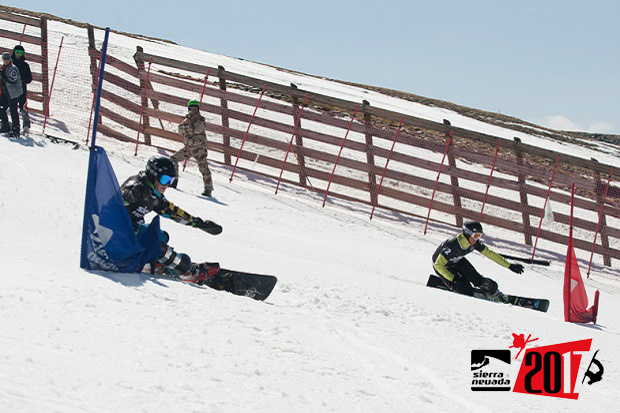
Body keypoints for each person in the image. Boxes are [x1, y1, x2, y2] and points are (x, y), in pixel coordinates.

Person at [121, 155, 224, 284]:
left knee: (162, 235)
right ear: (153, 175)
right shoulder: (137, 185)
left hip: (133, 233)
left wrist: (198, 223)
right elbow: (120, 197)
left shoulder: (154, 194)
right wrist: (130, 195)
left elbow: (172, 211)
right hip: (120, 237)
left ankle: (153, 263)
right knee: (156, 242)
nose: (167, 185)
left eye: (171, 180)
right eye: (165, 179)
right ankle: (189, 272)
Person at [432, 220, 524, 299]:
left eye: (479, 236)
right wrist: (453, 278)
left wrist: (509, 265)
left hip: (457, 262)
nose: (477, 239)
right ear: (468, 234)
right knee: (464, 287)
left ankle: (496, 295)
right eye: (476, 236)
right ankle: (467, 291)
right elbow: (438, 265)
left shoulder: (474, 243)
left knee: (479, 281)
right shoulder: (453, 246)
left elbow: (490, 254)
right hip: (443, 267)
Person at [170, 100, 214, 197]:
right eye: (191, 108)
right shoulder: (186, 120)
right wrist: (189, 129)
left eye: (195, 108)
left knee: (203, 168)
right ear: (189, 109)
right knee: (173, 159)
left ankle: (208, 189)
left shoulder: (201, 120)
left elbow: (198, 129)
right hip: (188, 148)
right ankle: (174, 181)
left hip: (199, 148)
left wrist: (187, 129)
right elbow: (179, 131)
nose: (193, 110)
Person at [0, 52, 22, 136]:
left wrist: (4, 77)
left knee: (13, 111)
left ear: (10, 60)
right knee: (1, 108)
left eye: (7, 59)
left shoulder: (13, 68)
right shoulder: (4, 67)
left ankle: (16, 130)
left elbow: (13, 80)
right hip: (6, 93)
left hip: (13, 93)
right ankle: (5, 125)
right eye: (4, 59)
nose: (5, 61)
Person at [11, 45, 32, 131]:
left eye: (21, 53)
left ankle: (26, 125)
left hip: (21, 89)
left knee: (22, 107)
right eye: (17, 52)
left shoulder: (25, 65)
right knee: (9, 106)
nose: (18, 55)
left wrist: (23, 80)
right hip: (11, 89)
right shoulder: (10, 63)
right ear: (14, 53)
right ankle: (9, 123)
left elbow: (29, 78)